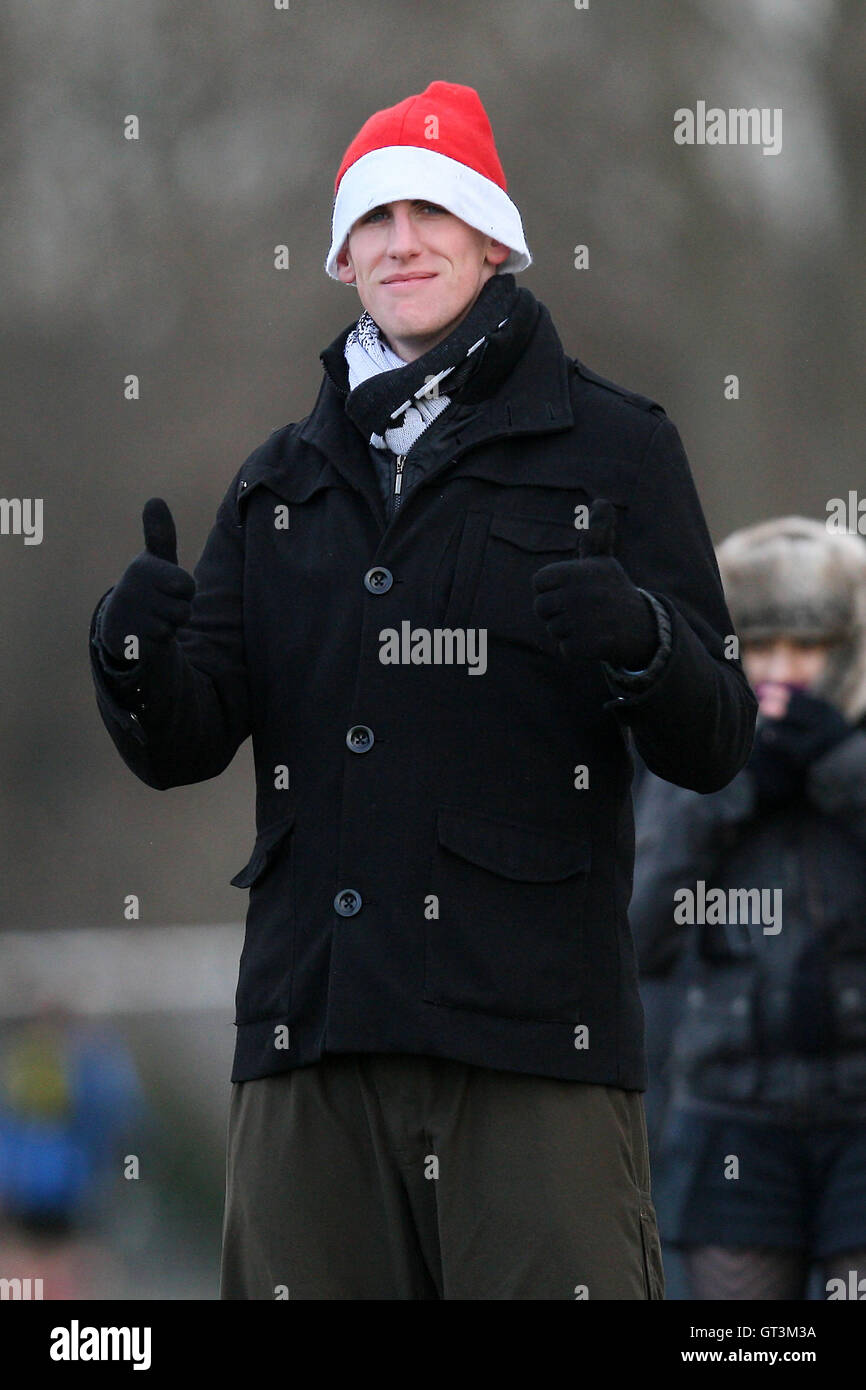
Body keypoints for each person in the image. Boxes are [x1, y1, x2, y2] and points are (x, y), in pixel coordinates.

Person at [88, 79, 756, 1300]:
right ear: (341, 255)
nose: (403, 240)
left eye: (432, 210)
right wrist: (131, 658)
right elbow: (188, 735)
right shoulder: (273, 481)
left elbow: (714, 733)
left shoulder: (619, 447)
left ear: (491, 237)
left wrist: (641, 638)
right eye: (375, 218)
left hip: (528, 1049)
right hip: (309, 1040)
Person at [631, 515, 866, 1300]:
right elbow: (633, 933)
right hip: (729, 1109)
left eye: (810, 646)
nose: (784, 672)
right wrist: (731, 785)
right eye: (760, 647)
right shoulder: (689, 757)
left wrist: (844, 771)